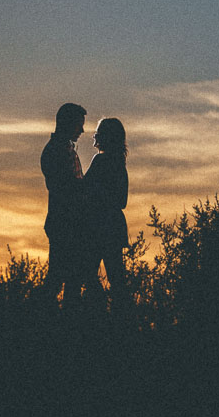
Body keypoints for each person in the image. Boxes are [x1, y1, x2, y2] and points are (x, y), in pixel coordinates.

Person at [40, 102, 93, 307]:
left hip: (67, 222)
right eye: (79, 124)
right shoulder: (56, 151)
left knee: (69, 277)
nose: (82, 130)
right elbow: (67, 187)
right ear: (68, 123)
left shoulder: (63, 149)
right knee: (61, 278)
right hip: (65, 223)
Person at [84, 117, 130, 310]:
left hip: (99, 227)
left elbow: (84, 190)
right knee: (116, 276)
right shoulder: (120, 163)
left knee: (86, 273)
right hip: (115, 226)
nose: (95, 136)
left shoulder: (100, 160)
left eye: (99, 132)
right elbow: (122, 201)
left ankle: (98, 311)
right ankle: (122, 314)